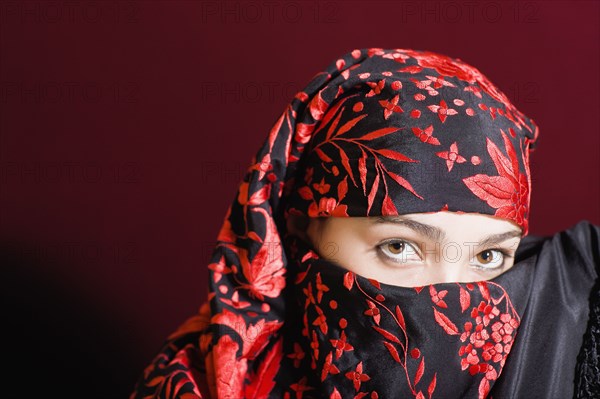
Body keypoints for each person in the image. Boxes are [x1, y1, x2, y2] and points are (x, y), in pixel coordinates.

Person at [131, 48, 599, 398]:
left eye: (488, 256)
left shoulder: (561, 331)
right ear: (299, 231)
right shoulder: (189, 384)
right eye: (399, 247)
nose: (449, 297)